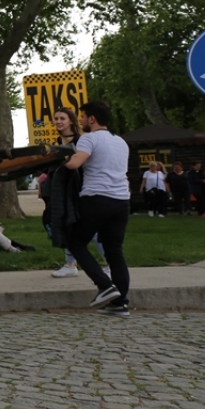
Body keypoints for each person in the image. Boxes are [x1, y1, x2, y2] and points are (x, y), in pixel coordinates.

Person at [64, 100, 132, 317]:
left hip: (96, 199)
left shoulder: (89, 139)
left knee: (75, 242)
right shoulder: (121, 141)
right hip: (122, 201)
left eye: (83, 117)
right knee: (114, 251)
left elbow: (74, 164)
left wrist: (57, 157)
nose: (81, 121)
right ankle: (120, 303)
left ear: (92, 119)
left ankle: (105, 285)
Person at [45, 107, 107, 278]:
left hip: (80, 190)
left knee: (91, 229)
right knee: (68, 227)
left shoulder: (82, 141)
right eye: (56, 118)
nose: (58, 121)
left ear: (71, 121)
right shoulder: (58, 142)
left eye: (62, 118)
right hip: (62, 191)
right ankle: (70, 264)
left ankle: (109, 263)